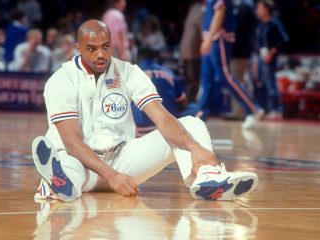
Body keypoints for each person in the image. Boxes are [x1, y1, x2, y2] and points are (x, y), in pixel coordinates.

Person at [31, 19, 258, 203]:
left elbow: (161, 118)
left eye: (105, 47)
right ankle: (58, 181)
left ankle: (208, 177)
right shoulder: (61, 80)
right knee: (70, 166)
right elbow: (72, 143)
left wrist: (195, 148)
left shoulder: (129, 72)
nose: (100, 54)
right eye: (91, 49)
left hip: (122, 159)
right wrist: (112, 177)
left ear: (112, 44)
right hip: (80, 160)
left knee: (192, 123)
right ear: (78, 49)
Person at [199, 0, 264, 129]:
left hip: (218, 39)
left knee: (225, 77)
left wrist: (209, 39)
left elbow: (219, 13)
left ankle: (253, 109)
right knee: (207, 82)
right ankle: (199, 115)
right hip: (210, 38)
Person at [132, 47, 202, 137]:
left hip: (141, 129)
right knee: (196, 109)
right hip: (168, 127)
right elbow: (182, 102)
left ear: (137, 59)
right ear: (154, 59)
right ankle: (188, 143)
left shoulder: (131, 74)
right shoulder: (168, 72)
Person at [255, 0, 283, 120]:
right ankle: (264, 109)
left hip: (270, 58)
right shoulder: (260, 25)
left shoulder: (274, 24)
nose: (257, 11)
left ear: (266, 9)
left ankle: (275, 110)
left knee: (271, 85)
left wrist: (271, 54)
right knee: (261, 84)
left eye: (260, 8)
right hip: (261, 57)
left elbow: (281, 41)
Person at [179, 0, 205, 103]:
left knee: (188, 80)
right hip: (193, 51)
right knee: (193, 81)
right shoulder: (201, 10)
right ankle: (189, 105)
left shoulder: (193, 8)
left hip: (185, 49)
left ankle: (187, 103)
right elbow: (203, 30)